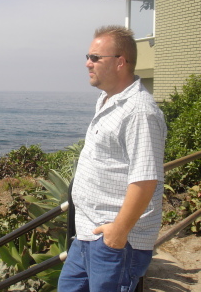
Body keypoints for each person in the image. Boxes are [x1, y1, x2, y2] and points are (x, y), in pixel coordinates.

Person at [58, 25, 167, 292]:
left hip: (115, 242)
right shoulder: (108, 100)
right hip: (86, 233)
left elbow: (145, 180)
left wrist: (117, 234)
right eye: (88, 56)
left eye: (95, 57)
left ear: (120, 62)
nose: (87, 63)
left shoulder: (140, 111)